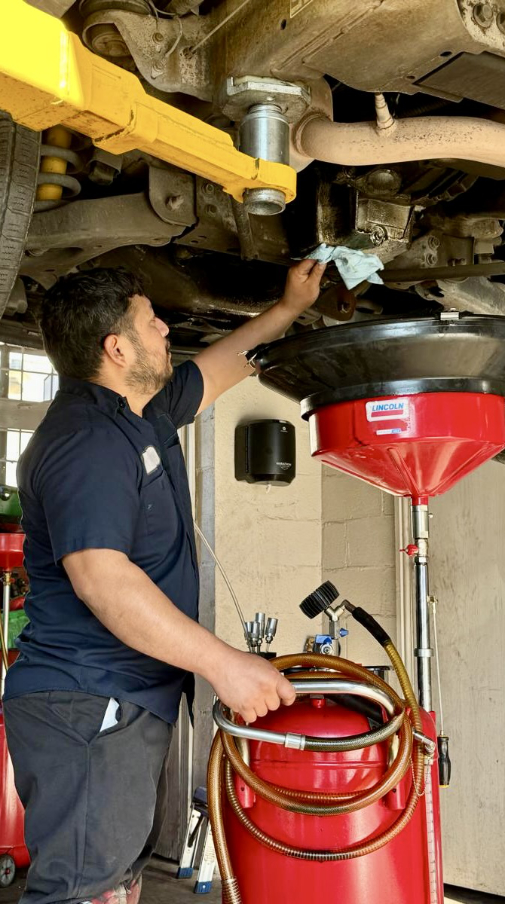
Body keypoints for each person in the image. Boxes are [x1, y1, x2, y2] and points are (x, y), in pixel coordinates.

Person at [3, 258, 326, 904]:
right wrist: (224, 666)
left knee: (113, 884)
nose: (166, 331)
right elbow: (102, 579)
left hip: (112, 700)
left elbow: (217, 368)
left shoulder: (137, 414)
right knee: (82, 892)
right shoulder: (89, 439)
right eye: (152, 323)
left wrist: (289, 308)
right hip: (87, 700)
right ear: (115, 348)